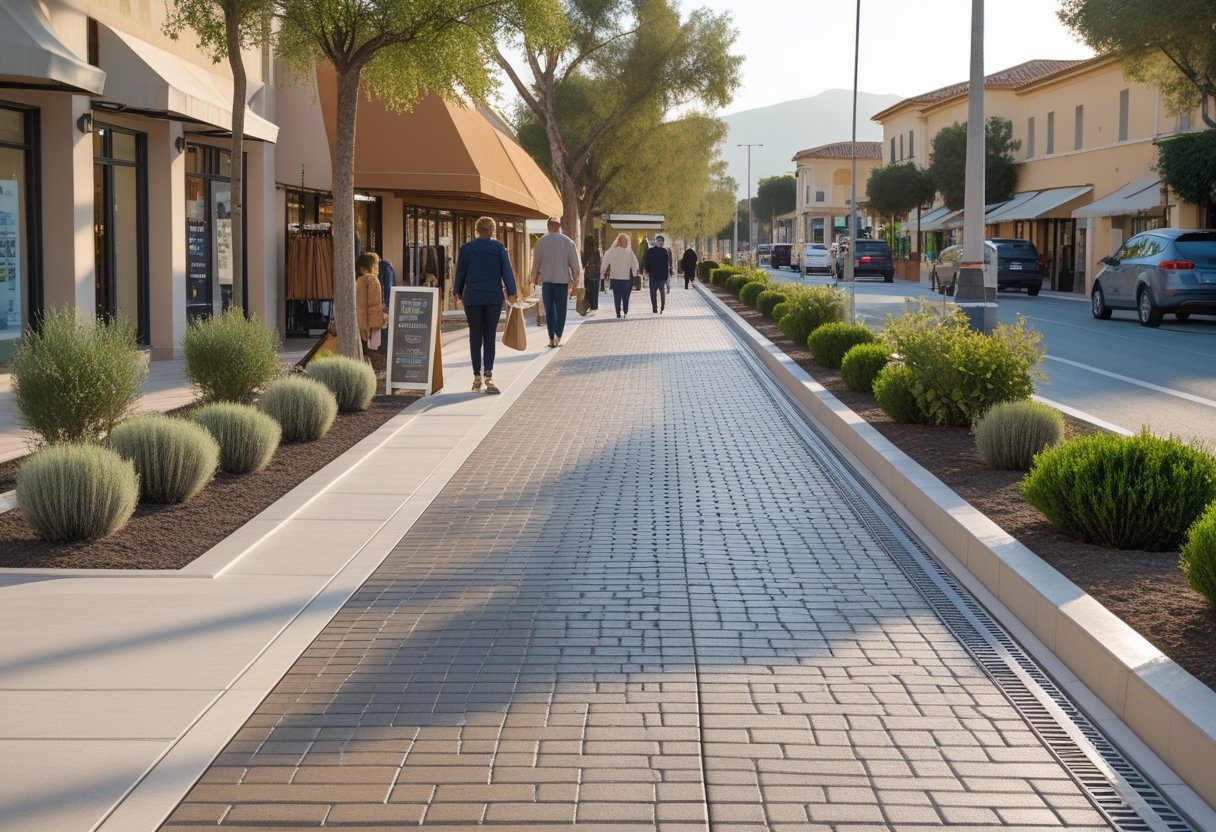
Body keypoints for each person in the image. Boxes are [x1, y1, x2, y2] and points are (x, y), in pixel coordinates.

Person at [454, 216, 517, 394]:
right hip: (493, 298)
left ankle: (476, 377)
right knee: (489, 336)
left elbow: (461, 271)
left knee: (475, 335)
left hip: (472, 298)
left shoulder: (467, 248)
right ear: (492, 230)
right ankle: (488, 375)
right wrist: (512, 291)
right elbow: (507, 270)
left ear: (477, 229)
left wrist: (457, 291)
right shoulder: (499, 248)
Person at [531, 217, 582, 348]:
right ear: (560, 227)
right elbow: (575, 265)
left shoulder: (541, 242)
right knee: (561, 310)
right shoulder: (567, 242)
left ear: (548, 227)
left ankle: (551, 336)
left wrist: (533, 279)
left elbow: (535, 263)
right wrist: (575, 279)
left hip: (547, 281)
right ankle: (558, 336)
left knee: (549, 310)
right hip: (562, 281)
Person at [601, 233, 640, 319]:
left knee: (616, 295)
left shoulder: (611, 252)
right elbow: (635, 264)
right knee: (626, 296)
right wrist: (635, 275)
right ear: (627, 242)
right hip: (626, 278)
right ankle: (625, 310)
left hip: (615, 277)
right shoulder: (629, 252)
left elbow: (604, 263)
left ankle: (618, 313)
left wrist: (602, 274)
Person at [355, 252, 386, 353]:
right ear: (364, 269)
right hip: (368, 325)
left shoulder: (358, 281)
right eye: (375, 266)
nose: (376, 269)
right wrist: (379, 321)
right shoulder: (371, 280)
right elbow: (374, 304)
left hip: (358, 323)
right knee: (368, 351)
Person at [642, 233, 674, 313]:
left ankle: (662, 306)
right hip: (653, 276)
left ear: (663, 242)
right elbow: (647, 262)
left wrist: (666, 275)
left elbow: (666, 264)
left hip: (662, 277)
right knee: (653, 293)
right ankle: (654, 308)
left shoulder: (664, 251)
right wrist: (647, 271)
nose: (660, 242)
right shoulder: (650, 251)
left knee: (662, 292)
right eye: (659, 241)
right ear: (656, 241)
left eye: (662, 241)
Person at [582, 234, 601, 313]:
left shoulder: (585, 252)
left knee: (588, 290)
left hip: (588, 275)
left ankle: (587, 305)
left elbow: (583, 264)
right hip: (596, 274)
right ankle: (594, 306)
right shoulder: (596, 252)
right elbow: (599, 262)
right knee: (595, 291)